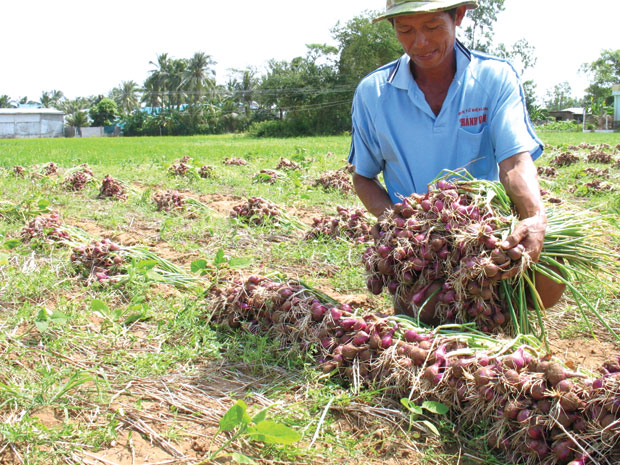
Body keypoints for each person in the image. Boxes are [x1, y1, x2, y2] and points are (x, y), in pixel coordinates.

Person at [348, 0, 565, 316]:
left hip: (489, 231)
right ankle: (470, 304)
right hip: (424, 242)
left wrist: (533, 215)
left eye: (433, 27)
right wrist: (396, 225)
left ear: (458, 15)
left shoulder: (493, 77)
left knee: (548, 278)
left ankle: (496, 301)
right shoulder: (374, 93)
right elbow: (363, 176)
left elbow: (515, 161)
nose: (420, 42)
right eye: (406, 30)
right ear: (392, 27)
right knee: (430, 307)